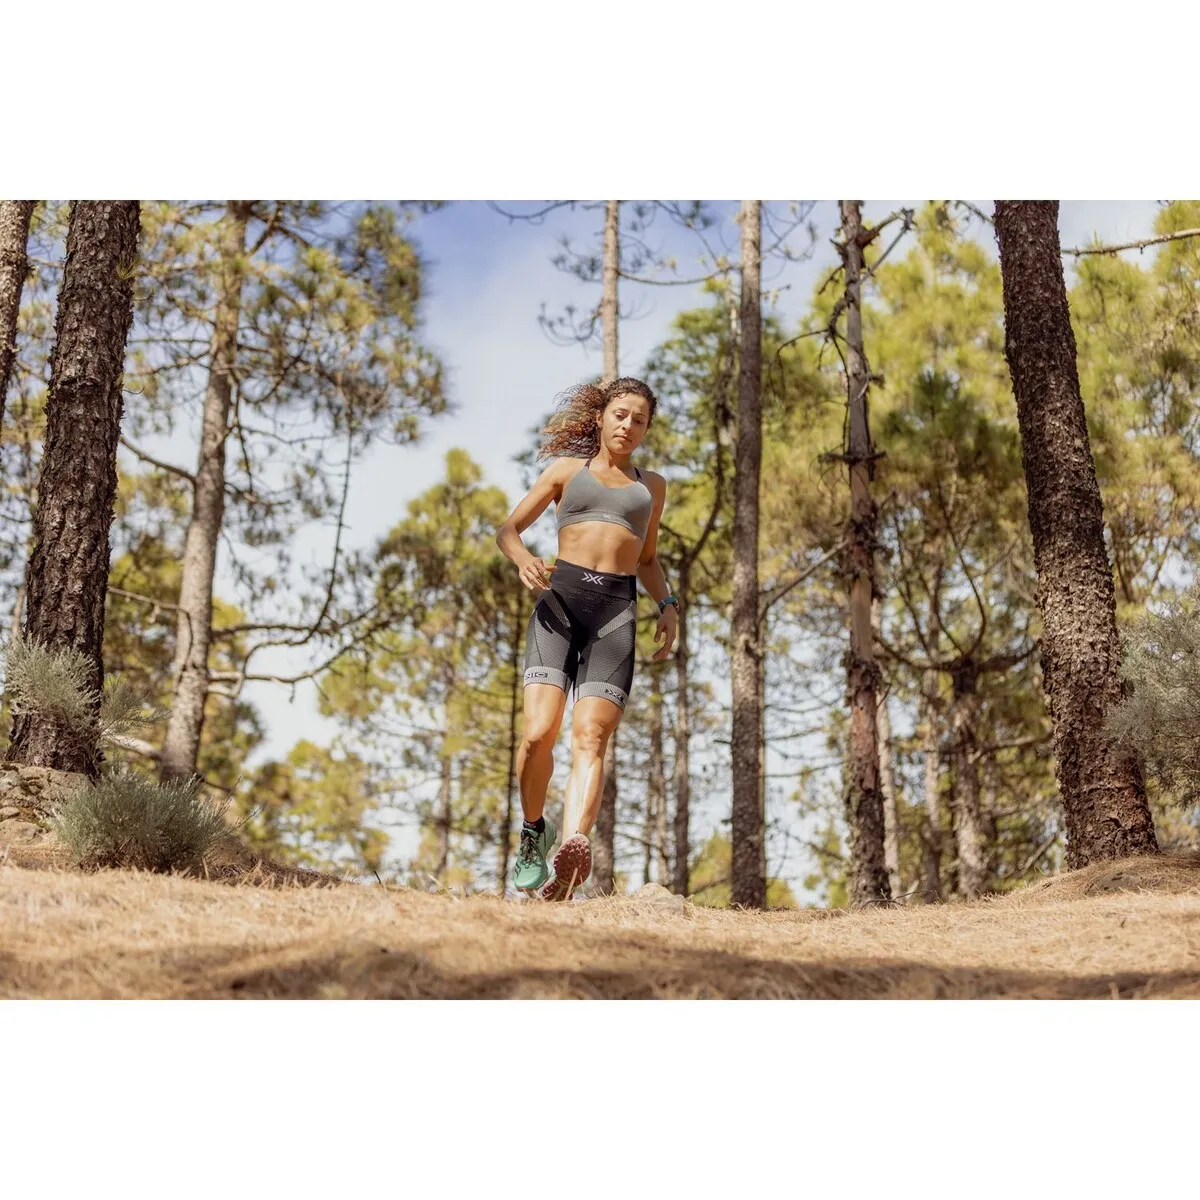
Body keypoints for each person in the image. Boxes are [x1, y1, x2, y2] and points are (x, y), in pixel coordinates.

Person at [495, 377, 679, 900]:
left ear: (646, 429)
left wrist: (668, 604)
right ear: (600, 417)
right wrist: (524, 560)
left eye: (639, 420)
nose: (628, 425)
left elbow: (647, 559)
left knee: (591, 738)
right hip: (559, 607)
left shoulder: (652, 486)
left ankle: (574, 846)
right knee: (538, 733)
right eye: (620, 414)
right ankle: (534, 831)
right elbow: (508, 531)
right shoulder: (565, 472)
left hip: (615, 616)